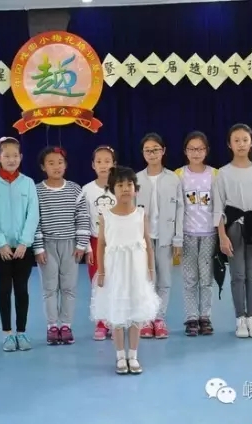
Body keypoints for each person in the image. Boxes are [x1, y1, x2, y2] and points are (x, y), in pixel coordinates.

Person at [90, 166, 161, 375]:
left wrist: (150, 268)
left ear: (135, 188)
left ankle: (133, 355)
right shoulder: (106, 216)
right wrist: (101, 271)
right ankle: (120, 355)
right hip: (116, 271)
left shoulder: (140, 214)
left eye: (129, 184)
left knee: (136, 311)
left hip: (136, 270)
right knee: (118, 312)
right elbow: (101, 245)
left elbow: (147, 243)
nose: (125, 189)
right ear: (112, 189)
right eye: (120, 185)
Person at [212, 123, 252, 339]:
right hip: (234, 227)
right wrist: (222, 236)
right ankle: (240, 319)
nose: (241, 144)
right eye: (236, 140)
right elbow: (218, 207)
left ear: (251, 142)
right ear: (229, 144)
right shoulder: (223, 173)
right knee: (237, 275)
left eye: (245, 140)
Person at [34, 146, 91, 345]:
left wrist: (81, 244)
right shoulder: (37, 190)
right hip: (47, 246)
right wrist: (38, 247)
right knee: (50, 288)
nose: (56, 166)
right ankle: (52, 326)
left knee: (69, 288)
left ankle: (66, 325)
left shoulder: (75, 189)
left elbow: (83, 217)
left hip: (70, 246)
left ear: (65, 165)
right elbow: (35, 220)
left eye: (60, 162)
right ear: (43, 167)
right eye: (51, 163)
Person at [0, 137, 39, 352]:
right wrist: (0, 243)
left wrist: (24, 242)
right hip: (1, 249)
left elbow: (33, 213)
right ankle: (7, 333)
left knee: (22, 290)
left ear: (21, 157)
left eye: (15, 155)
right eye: (6, 155)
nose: (11, 159)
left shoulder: (28, 183)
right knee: (4, 290)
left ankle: (21, 332)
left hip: (22, 249)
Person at [135, 133, 183, 339]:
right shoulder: (136, 179)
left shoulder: (173, 178)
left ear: (163, 151)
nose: (152, 154)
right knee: (146, 279)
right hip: (142, 239)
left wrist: (178, 238)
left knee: (164, 280)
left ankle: (159, 319)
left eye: (155, 149)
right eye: (148, 150)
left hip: (166, 237)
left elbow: (180, 209)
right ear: (143, 153)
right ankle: (146, 319)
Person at [175, 131, 218, 336]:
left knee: (206, 279)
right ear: (185, 151)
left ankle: (205, 317)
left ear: (206, 151)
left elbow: (219, 206)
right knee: (190, 278)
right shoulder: (179, 175)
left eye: (200, 149)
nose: (196, 153)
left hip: (209, 235)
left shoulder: (215, 174)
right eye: (191, 149)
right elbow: (176, 207)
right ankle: (191, 317)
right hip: (187, 235)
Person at [82, 145, 117, 341]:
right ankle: (101, 322)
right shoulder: (87, 190)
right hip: (96, 242)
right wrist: (87, 247)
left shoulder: (120, 186)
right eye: (99, 162)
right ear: (93, 165)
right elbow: (84, 220)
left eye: (107, 161)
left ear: (114, 164)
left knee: (117, 281)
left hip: (117, 243)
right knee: (98, 282)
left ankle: (115, 320)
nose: (103, 165)